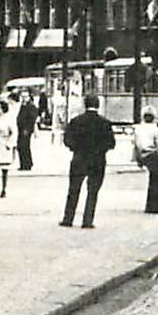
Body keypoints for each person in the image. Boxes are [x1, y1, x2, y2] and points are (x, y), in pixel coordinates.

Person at [61, 95, 117, 229]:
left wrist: (75, 148)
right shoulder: (105, 123)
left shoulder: (76, 121)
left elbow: (67, 140)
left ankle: (68, 219)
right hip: (97, 161)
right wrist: (100, 150)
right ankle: (87, 220)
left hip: (79, 159)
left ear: (84, 104)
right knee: (93, 191)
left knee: (73, 190)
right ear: (98, 105)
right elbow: (111, 143)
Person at [131, 108, 158, 212]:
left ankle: (151, 205)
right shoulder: (156, 130)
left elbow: (135, 145)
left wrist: (138, 160)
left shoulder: (138, 129)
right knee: (157, 179)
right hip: (153, 154)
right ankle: (155, 205)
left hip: (142, 155)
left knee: (153, 178)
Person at [15, 93, 38, 171]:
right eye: (22, 97)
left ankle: (27, 164)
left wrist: (27, 129)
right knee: (20, 146)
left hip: (26, 130)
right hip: (21, 129)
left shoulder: (31, 106)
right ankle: (23, 163)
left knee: (24, 146)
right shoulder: (23, 106)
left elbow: (32, 119)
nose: (24, 98)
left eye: (25, 97)